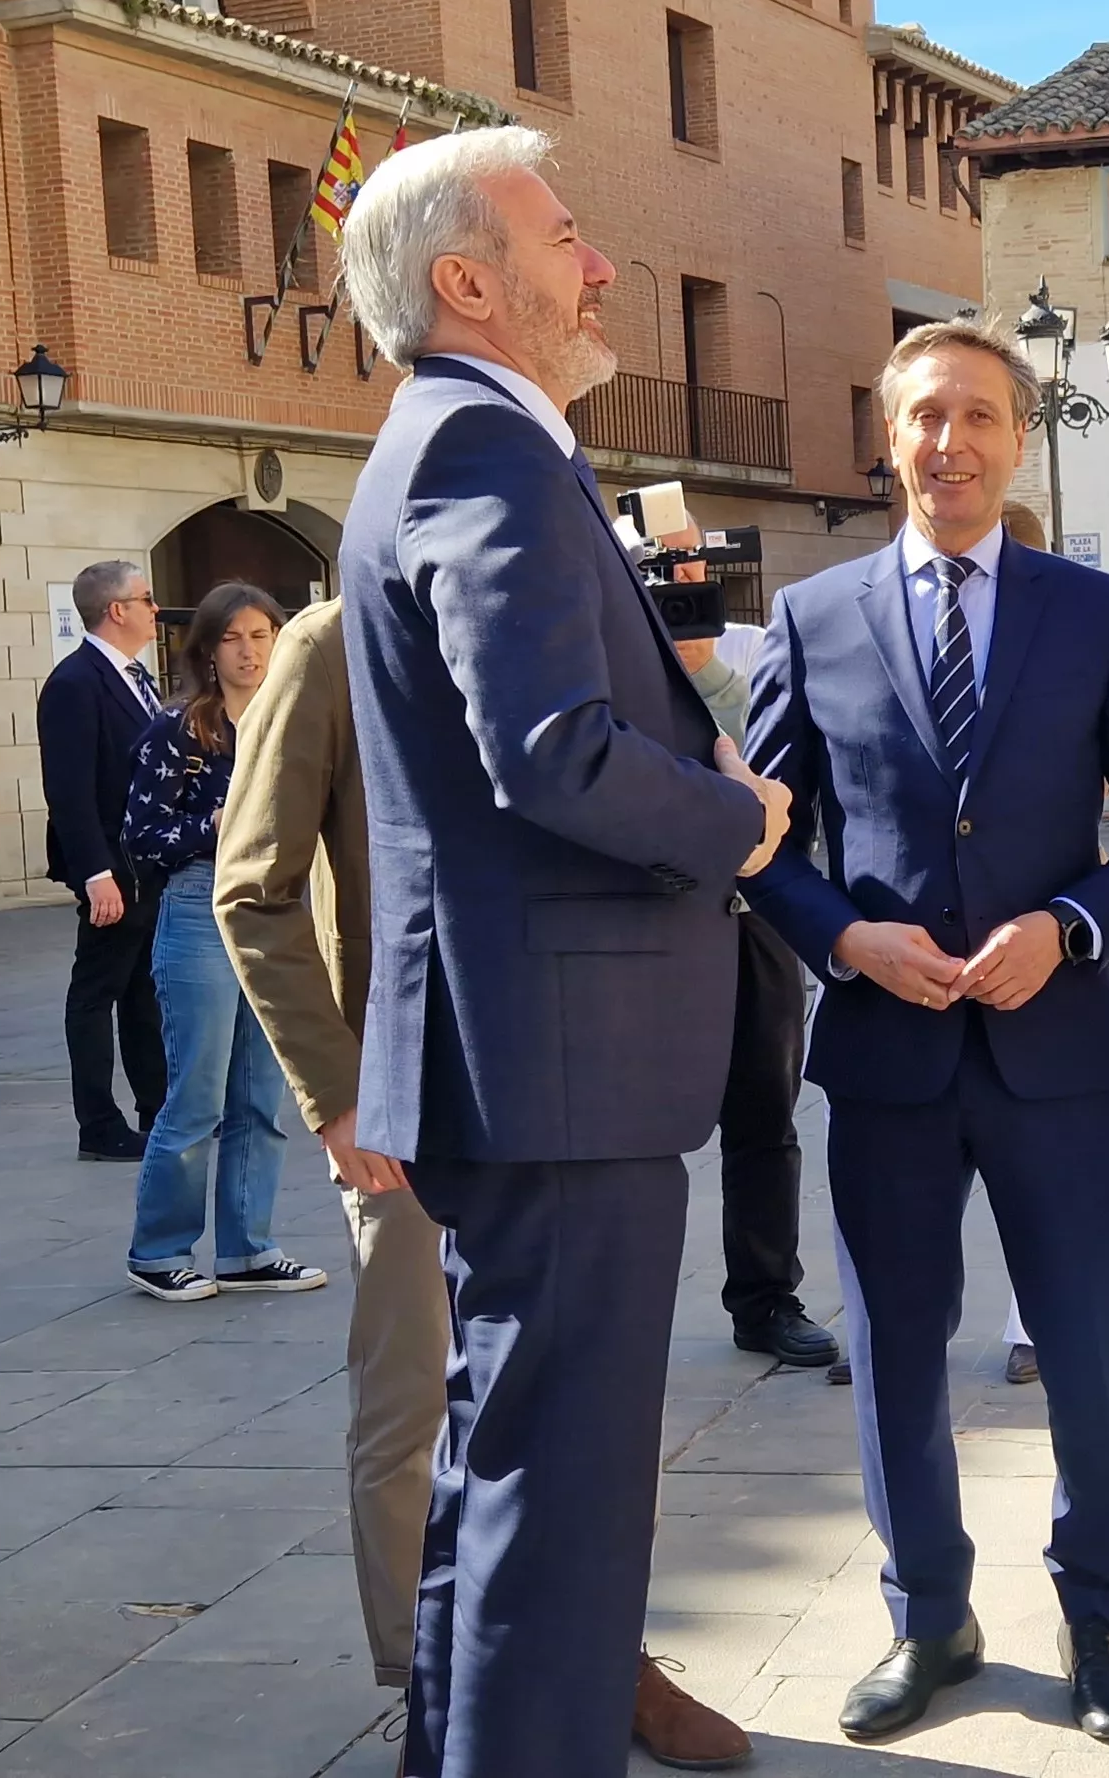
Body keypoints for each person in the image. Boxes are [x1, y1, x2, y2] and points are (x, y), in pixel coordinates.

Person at [333, 125, 790, 1778]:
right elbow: (548, 748)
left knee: (507, 1468)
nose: (596, 267)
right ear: (468, 280)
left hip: (519, 1055)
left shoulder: (449, 441)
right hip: (559, 1066)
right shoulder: (482, 450)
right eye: (565, 236)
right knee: (563, 1496)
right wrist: (734, 819)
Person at [747, 320, 1109, 1746]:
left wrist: (1067, 924)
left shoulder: (1088, 610)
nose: (949, 444)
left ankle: (1096, 1617)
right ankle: (927, 1616)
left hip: (1053, 1048)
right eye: (924, 418)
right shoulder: (812, 620)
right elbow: (759, 836)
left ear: (1019, 439)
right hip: (887, 1055)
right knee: (893, 1349)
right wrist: (841, 938)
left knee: (1084, 1343)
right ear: (887, 439)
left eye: (978, 419)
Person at [212, 592, 752, 1767]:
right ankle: (432, 1677)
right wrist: (337, 1088)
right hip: (409, 1102)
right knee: (418, 1401)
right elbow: (250, 887)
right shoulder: (325, 646)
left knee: (578, 1404)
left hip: (561, 1084)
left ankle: (596, 1659)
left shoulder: (551, 623)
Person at [119, 583, 319, 1300]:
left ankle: (247, 1250)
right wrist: (231, 821)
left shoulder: (291, 720)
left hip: (276, 910)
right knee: (197, 1093)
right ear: (206, 650)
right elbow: (143, 837)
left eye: (262, 635)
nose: (249, 650)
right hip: (200, 904)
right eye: (233, 637)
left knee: (263, 1093)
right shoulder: (181, 729)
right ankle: (159, 1249)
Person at [675, 616, 837, 1368]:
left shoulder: (741, 654)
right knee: (634, 1133)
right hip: (656, 934)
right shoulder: (598, 639)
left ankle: (767, 1298)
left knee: (765, 1120)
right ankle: (618, 1306)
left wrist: (703, 668)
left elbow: (770, 767)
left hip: (753, 920)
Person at [41, 558, 168, 1162]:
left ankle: (157, 1107)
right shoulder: (75, 682)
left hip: (146, 867)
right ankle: (98, 1123)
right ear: (116, 610)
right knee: (95, 993)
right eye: (146, 599)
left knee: (144, 992)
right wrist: (96, 874)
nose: (155, 609)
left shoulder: (135, 677)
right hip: (111, 870)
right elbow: (68, 789)